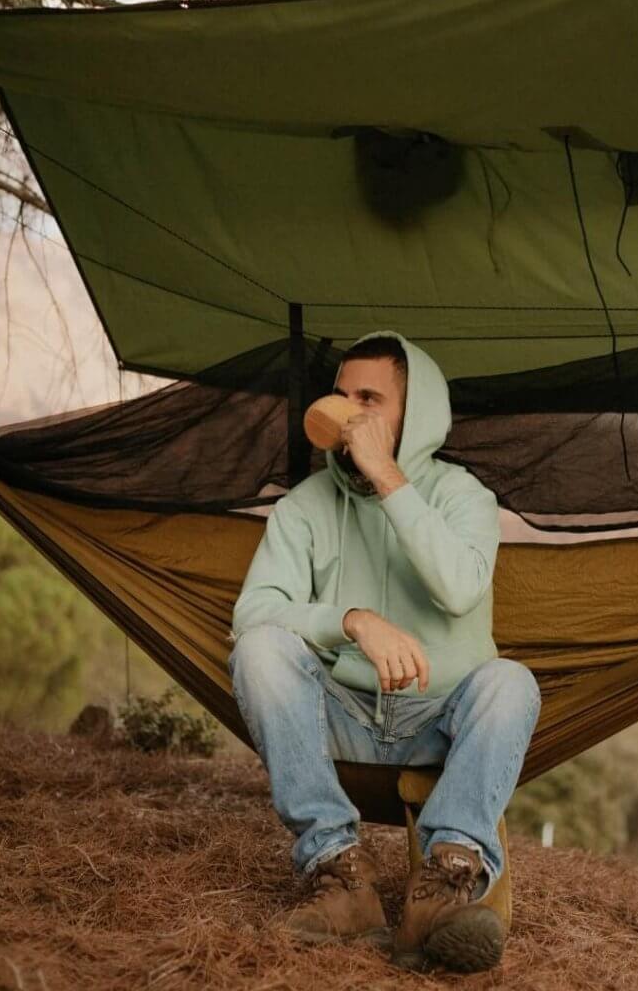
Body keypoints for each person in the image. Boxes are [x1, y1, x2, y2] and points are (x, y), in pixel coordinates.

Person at [227, 330, 541, 973]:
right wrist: (350, 621)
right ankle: (341, 875)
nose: (349, 412)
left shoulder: (463, 497)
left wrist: (387, 477)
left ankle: (441, 889)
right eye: (341, 395)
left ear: (414, 414)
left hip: (438, 718)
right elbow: (252, 613)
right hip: (340, 712)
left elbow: (459, 589)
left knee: (512, 683)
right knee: (260, 648)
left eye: (369, 399)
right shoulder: (307, 506)